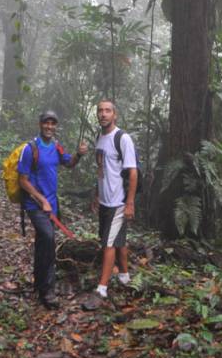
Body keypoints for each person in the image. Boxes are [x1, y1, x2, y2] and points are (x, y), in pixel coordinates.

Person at [18, 110, 87, 309]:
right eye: (46, 123)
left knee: (43, 243)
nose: (49, 126)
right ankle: (48, 291)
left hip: (52, 205)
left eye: (52, 123)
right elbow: (23, 181)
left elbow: (69, 163)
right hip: (35, 205)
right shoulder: (31, 149)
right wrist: (41, 200)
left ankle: (39, 283)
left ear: (55, 126)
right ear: (40, 125)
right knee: (48, 240)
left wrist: (79, 155)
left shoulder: (56, 146)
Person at [94, 99, 137, 298]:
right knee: (118, 240)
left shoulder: (123, 138)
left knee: (108, 244)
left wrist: (129, 203)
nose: (103, 114)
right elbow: (101, 169)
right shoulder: (99, 137)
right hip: (105, 200)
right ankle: (125, 275)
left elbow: (133, 172)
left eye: (107, 111)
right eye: (100, 111)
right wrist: (97, 194)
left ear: (115, 114)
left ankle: (102, 288)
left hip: (118, 202)